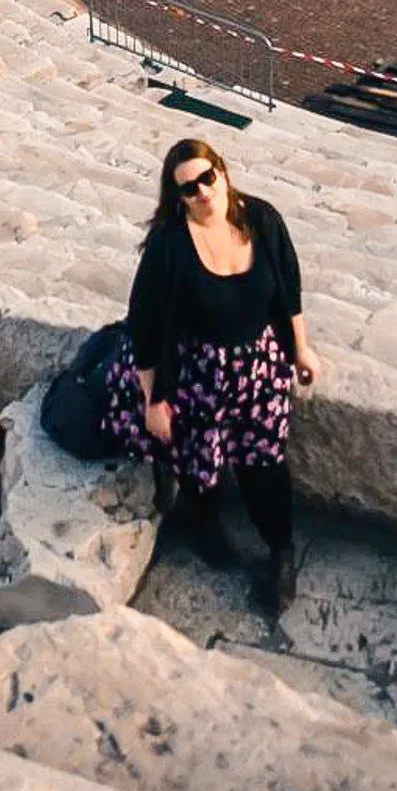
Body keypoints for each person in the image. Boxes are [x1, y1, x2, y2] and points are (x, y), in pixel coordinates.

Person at [100, 137, 322, 613]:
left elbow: (288, 286)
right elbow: (144, 319)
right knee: (202, 456)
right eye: (187, 188)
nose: (202, 192)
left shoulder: (262, 219)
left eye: (207, 177)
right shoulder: (169, 242)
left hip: (259, 365)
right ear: (175, 197)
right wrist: (152, 399)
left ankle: (280, 551)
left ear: (222, 171)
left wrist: (300, 348)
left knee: (264, 460)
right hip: (196, 368)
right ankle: (202, 519)